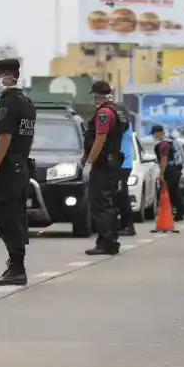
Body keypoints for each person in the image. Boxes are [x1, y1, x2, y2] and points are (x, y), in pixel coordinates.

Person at [0, 58, 36, 286]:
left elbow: (5, 136)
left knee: (7, 216)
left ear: (8, 75)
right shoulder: (27, 101)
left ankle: (16, 267)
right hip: (21, 165)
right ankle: (16, 265)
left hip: (7, 168)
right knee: (16, 215)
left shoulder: (9, 103)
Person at [83, 80, 129, 256]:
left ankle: (105, 242)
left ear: (96, 95)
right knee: (108, 202)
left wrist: (89, 162)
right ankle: (109, 241)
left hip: (102, 164)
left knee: (101, 204)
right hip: (112, 163)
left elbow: (99, 140)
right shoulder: (118, 110)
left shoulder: (104, 113)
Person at [152, 124, 184, 222]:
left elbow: (164, 158)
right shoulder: (170, 141)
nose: (153, 136)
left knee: (171, 191)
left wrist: (161, 173)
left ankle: (179, 212)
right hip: (175, 168)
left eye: (154, 134)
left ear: (159, 132)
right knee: (174, 191)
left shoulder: (163, 143)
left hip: (169, 170)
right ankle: (180, 212)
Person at [117, 117, 137, 236]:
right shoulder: (126, 125)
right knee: (120, 196)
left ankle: (128, 226)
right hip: (124, 164)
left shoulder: (123, 125)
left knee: (122, 196)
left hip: (122, 165)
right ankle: (123, 224)